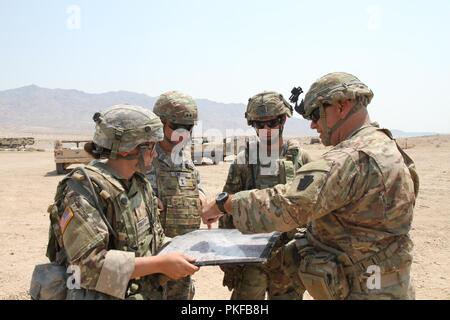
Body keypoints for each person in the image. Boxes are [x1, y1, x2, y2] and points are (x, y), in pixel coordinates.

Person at [202, 72, 419, 300]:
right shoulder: (386, 146)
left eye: (316, 113)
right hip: (386, 280)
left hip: (362, 287)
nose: (313, 124)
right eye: (260, 124)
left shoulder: (350, 158)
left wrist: (224, 204)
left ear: (342, 105)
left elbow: (289, 204)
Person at [33, 104, 199, 300]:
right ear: (126, 149)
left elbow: (155, 239)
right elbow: (88, 267)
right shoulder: (84, 191)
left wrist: (182, 252)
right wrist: (161, 264)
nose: (154, 154)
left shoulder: (139, 183)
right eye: (150, 146)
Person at [219, 91, 311, 300]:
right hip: (251, 257)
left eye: (272, 122)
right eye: (259, 125)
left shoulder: (300, 158)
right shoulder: (243, 161)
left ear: (283, 120)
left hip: (289, 257)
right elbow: (227, 209)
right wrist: (228, 261)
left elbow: (312, 207)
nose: (266, 130)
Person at [147, 91, 206, 300]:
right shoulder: (142, 158)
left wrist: (200, 196)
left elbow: (195, 183)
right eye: (176, 127)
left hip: (182, 261)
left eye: (188, 128)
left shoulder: (184, 157)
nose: (182, 134)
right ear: (159, 123)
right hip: (150, 264)